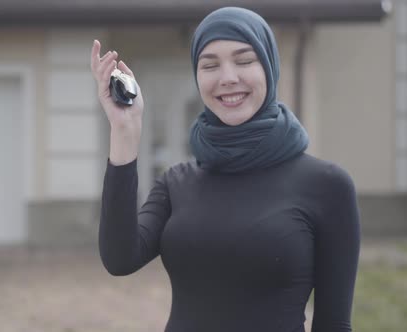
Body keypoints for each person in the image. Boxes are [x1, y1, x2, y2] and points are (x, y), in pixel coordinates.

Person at [89, 6, 360, 332]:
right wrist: (124, 131)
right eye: (210, 65)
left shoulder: (327, 186)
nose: (228, 77)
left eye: (244, 60)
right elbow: (119, 259)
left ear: (270, 68)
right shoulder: (176, 183)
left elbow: (334, 323)